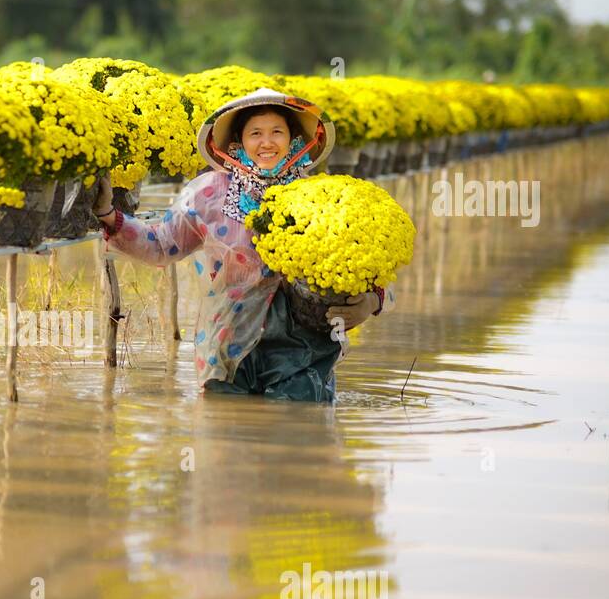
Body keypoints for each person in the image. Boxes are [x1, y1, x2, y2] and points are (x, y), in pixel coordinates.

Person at [92, 88, 395, 402]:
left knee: (300, 428)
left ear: (293, 140)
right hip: (226, 345)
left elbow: (370, 267)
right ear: (239, 142)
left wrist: (371, 302)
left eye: (277, 132)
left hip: (303, 345)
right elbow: (160, 246)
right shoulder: (208, 194)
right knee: (226, 432)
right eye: (256, 133)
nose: (267, 142)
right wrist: (108, 214)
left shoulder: (323, 197)